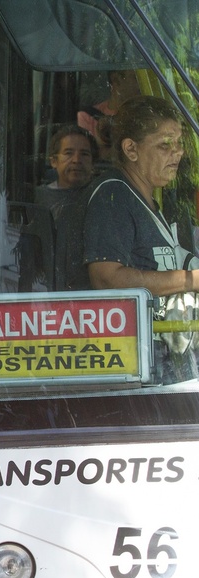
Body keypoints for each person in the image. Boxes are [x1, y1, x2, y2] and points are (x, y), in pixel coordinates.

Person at [84, 95, 198, 381]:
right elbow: (106, 278)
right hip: (137, 365)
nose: (178, 153)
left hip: (161, 362)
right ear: (131, 149)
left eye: (179, 143)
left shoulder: (147, 198)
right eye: (165, 145)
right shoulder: (113, 195)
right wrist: (190, 280)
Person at [20, 125, 99, 291]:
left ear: (93, 163)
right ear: (53, 161)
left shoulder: (102, 196)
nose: (77, 160)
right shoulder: (37, 198)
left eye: (84, 154)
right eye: (69, 153)